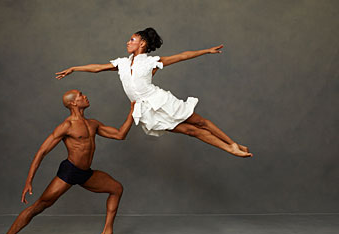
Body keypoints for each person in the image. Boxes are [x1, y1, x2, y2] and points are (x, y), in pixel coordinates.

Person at [56, 28, 252, 158]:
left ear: (142, 43)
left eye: (131, 39)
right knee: (191, 131)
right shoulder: (122, 63)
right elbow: (97, 68)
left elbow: (182, 56)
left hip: (160, 100)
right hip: (146, 110)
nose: (127, 42)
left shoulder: (151, 62)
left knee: (200, 122)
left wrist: (206, 51)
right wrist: (75, 68)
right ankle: (230, 149)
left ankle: (233, 145)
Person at [0, 90, 135, 234]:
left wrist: (133, 112)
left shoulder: (93, 124)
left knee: (116, 188)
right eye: (80, 95)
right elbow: (42, 152)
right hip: (69, 172)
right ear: (73, 103)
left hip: (85, 173)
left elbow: (120, 135)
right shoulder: (66, 126)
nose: (85, 96)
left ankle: (107, 233)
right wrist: (29, 181)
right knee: (39, 206)